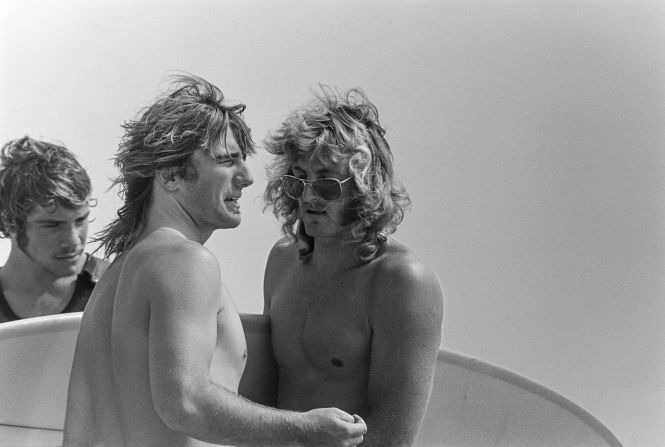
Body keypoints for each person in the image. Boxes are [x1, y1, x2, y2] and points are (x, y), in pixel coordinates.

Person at [63, 74, 366, 447]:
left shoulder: (115, 276)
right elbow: (184, 404)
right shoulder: (186, 261)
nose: (248, 178)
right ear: (171, 174)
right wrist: (305, 429)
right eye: (227, 161)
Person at [263, 86, 444, 446]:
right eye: (298, 179)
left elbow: (392, 436)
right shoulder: (283, 259)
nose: (309, 196)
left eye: (327, 183)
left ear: (365, 186)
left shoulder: (402, 281)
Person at [0, 137, 108, 323]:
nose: (73, 241)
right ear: (9, 223)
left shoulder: (119, 287)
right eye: (53, 225)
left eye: (81, 219)